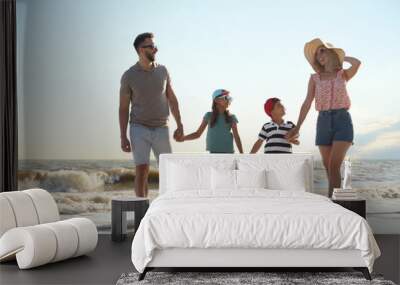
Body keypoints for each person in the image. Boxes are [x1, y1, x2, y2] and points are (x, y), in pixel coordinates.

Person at [286, 38, 361, 197]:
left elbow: (357, 63)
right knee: (328, 167)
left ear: (330, 52)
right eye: (316, 54)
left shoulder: (343, 74)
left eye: (322, 50)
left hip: (342, 121)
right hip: (323, 122)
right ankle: (335, 201)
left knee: (334, 165)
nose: (319, 55)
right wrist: (297, 126)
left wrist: (341, 58)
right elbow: (307, 102)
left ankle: (333, 204)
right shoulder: (314, 78)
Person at [119, 32, 184, 197]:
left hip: (162, 128)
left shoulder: (163, 71)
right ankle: (142, 212)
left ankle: (168, 211)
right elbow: (123, 108)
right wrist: (123, 136)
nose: (155, 49)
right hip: (138, 127)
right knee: (142, 169)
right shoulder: (129, 76)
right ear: (141, 49)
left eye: (155, 46)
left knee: (168, 171)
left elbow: (172, 99)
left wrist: (179, 124)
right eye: (151, 46)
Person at [177, 89, 243, 154]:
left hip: (228, 152)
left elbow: (236, 136)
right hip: (213, 153)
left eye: (229, 98)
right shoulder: (208, 116)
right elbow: (198, 134)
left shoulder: (231, 117)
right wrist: (183, 138)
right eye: (226, 98)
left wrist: (242, 154)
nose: (228, 100)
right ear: (216, 100)